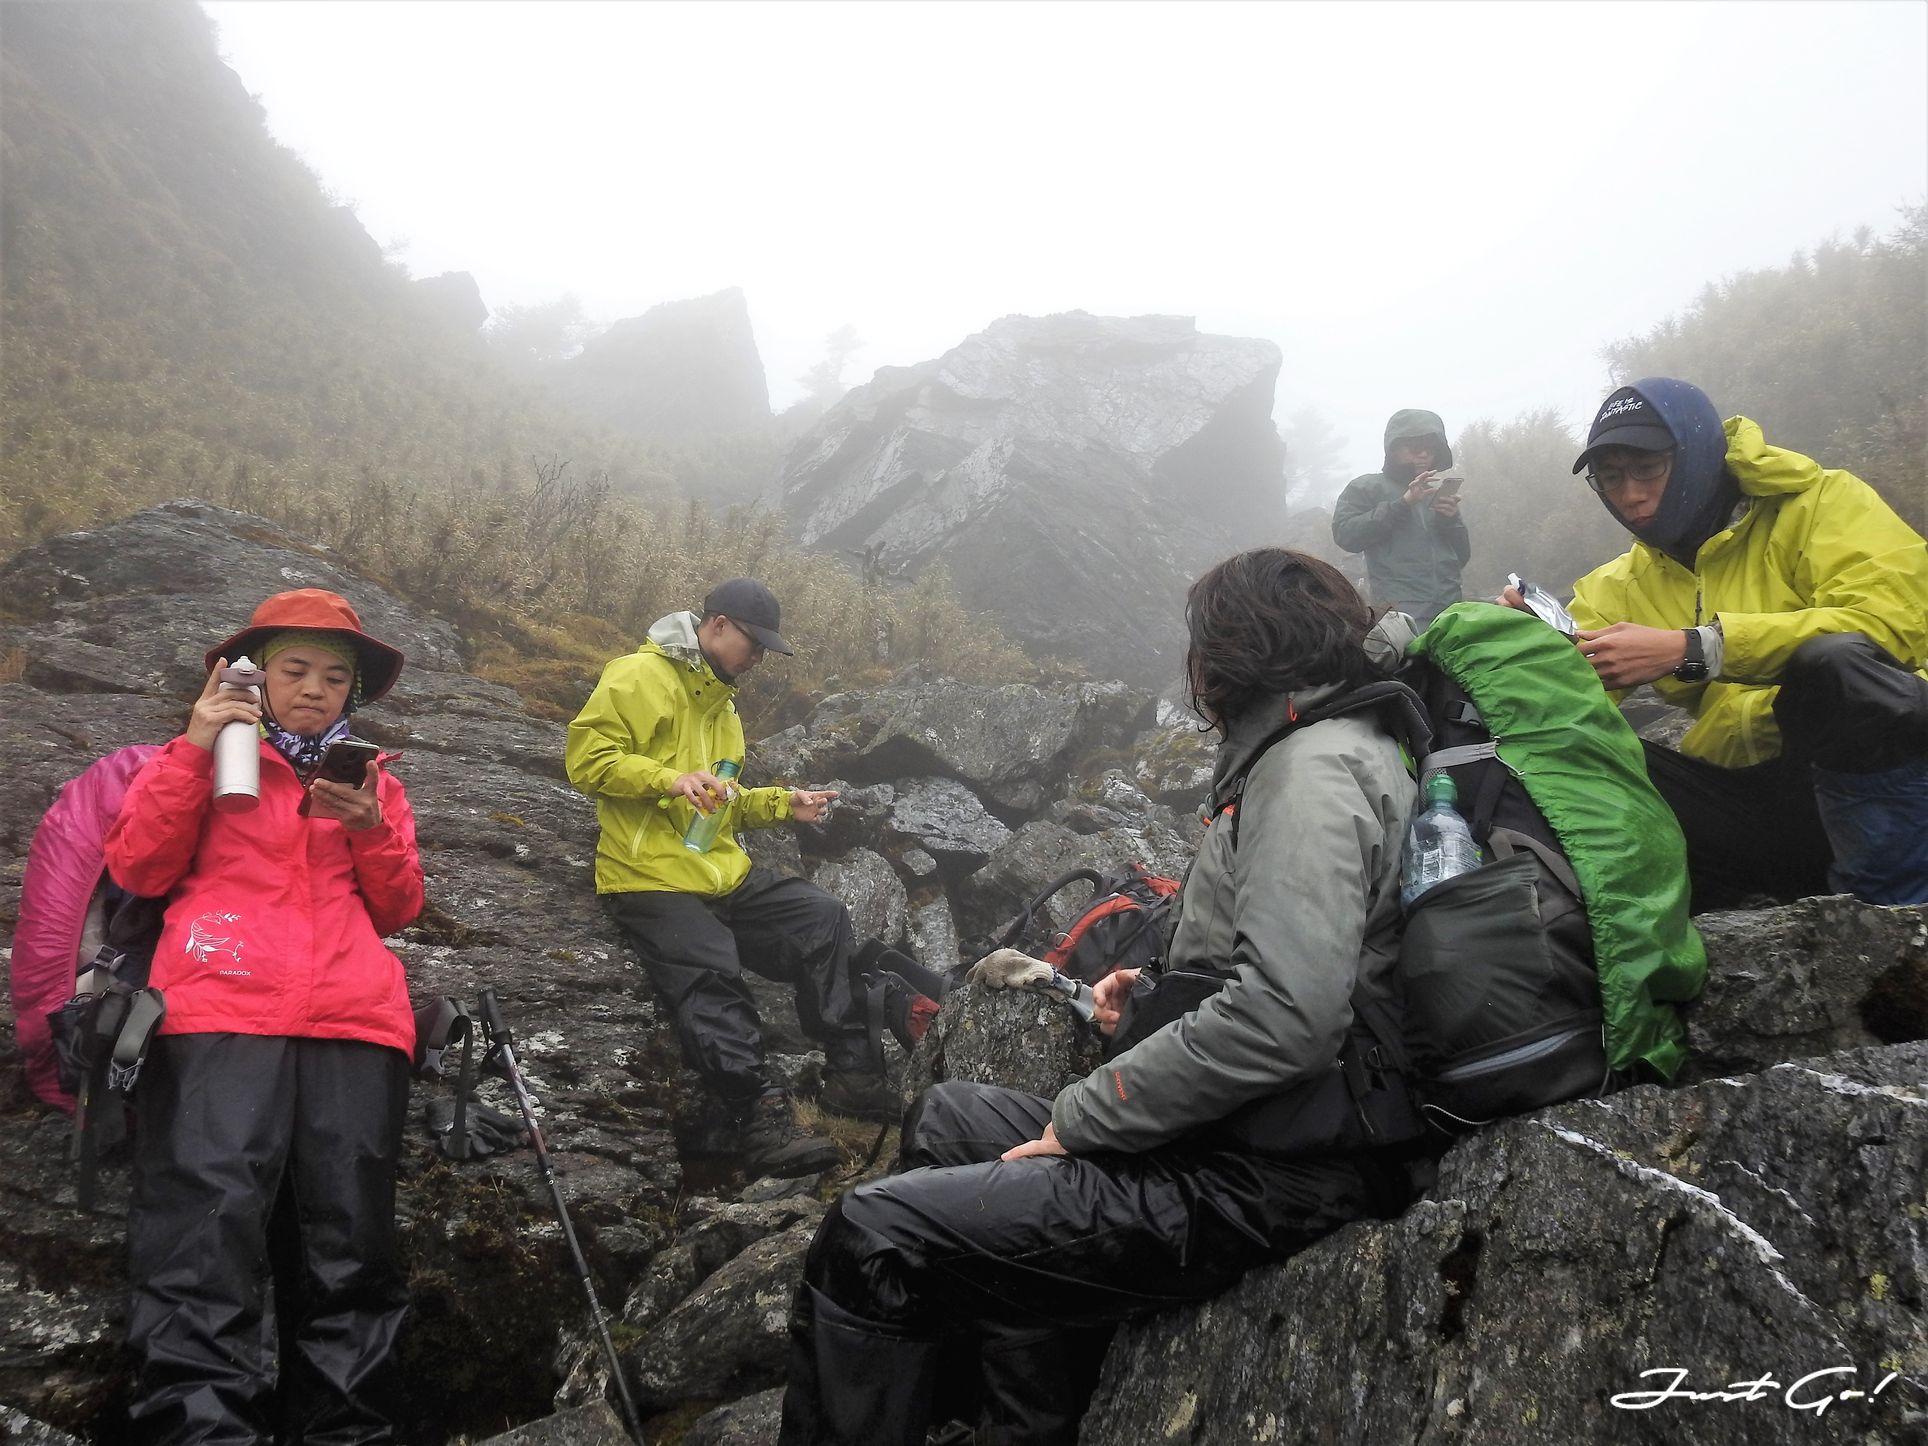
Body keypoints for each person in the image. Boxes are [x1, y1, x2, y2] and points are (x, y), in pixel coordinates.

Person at [778, 549, 1430, 1446]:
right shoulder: (1329, 747)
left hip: (1270, 1177)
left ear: (1233, 653)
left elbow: (1289, 1016)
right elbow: (1303, 964)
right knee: (948, 1116)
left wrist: (1086, 1116)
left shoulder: (1309, 772)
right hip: (1265, 1131)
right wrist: (1158, 1001)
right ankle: (1019, 1425)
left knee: (871, 1233)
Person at [104, 588, 423, 1444]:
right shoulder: (197, 758)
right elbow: (139, 867)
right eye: (295, 669)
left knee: (350, 1250)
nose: (315, 688)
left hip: (354, 1022)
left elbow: (397, 907)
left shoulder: (373, 781)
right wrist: (198, 743)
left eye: (334, 676)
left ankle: (349, 1432)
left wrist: (369, 831)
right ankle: (199, 1431)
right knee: (203, 1238)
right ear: (251, 675)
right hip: (217, 1009)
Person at [1505, 377, 1928, 908]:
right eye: (1610, 478)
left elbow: (1892, 623)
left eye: (1648, 469)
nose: (1630, 495)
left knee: (1838, 666)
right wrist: (1517, 642)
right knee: (1549, 762)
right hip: (1747, 805)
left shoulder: (1821, 502)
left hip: (1859, 778)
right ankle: (1717, 910)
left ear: (1697, 454)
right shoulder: (1617, 585)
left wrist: (1697, 648)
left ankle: (1895, 908)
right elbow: (1560, 697)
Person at [564, 577, 894, 1179]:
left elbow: (724, 799)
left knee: (821, 917)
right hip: (649, 877)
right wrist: (666, 779)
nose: (760, 657)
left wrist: (779, 804)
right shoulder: (637, 677)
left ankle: (852, 1076)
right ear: (716, 625)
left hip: (720, 874)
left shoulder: (723, 705)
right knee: (714, 968)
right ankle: (758, 1114)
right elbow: (587, 759)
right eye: (755, 642)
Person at [1331, 408, 1471, 625]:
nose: (1424, 454)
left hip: (1450, 607)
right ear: (1393, 448)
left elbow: (1461, 557)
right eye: (1415, 447)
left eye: (1430, 449)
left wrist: (1450, 521)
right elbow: (1346, 534)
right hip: (1400, 610)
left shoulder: (1433, 493)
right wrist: (1403, 504)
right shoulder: (1367, 487)